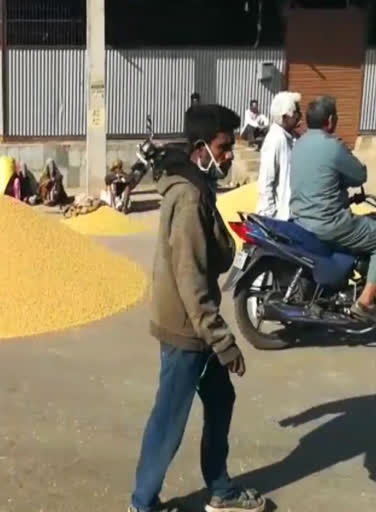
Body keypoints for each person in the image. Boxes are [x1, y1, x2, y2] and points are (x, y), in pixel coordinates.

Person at [129, 104, 265, 512]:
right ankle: (142, 502)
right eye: (224, 147)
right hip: (188, 330)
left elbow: (214, 257)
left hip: (196, 327)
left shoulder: (197, 188)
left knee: (221, 400)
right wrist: (223, 340)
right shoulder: (188, 198)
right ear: (202, 146)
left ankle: (220, 490)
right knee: (169, 419)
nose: (229, 155)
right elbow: (192, 280)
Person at [290, 96, 376, 322]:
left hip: (301, 219)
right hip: (329, 223)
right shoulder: (332, 146)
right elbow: (360, 175)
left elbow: (321, 179)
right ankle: (365, 301)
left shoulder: (300, 143)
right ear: (330, 120)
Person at [256, 92, 301, 220]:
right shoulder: (275, 139)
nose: (299, 116)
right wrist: (269, 214)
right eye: (296, 112)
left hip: (290, 214)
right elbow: (266, 181)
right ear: (285, 116)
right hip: (278, 217)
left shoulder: (292, 137)